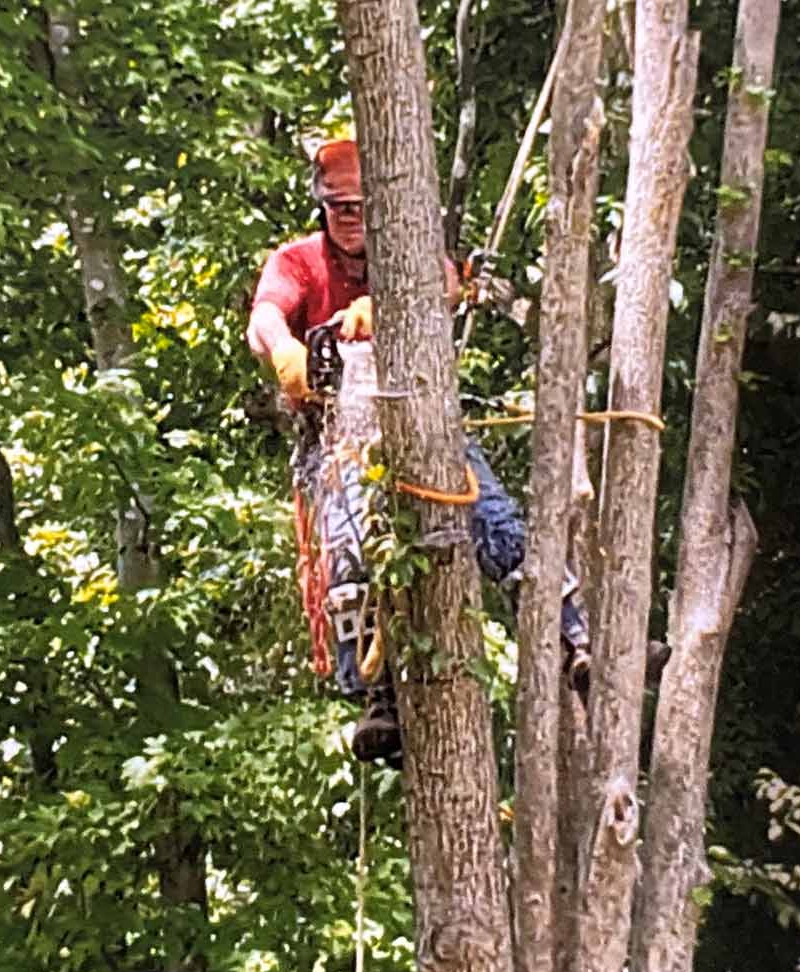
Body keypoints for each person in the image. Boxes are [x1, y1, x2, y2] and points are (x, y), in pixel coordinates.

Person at [247, 137, 592, 763]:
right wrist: (288, 353)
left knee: (495, 522)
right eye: (338, 208)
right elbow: (265, 318)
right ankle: (375, 693)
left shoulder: (402, 251)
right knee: (349, 547)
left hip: (423, 424)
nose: (350, 219)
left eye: (359, 205)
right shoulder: (299, 262)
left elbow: (444, 282)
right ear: (321, 206)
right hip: (337, 434)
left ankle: (574, 638)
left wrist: (391, 306)